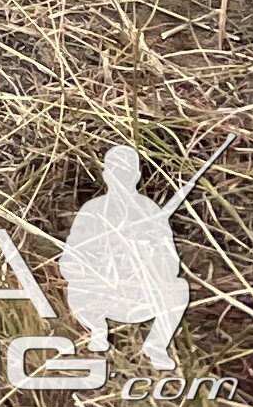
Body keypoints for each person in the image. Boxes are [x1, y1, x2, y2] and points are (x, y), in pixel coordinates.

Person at [61, 143, 192, 369]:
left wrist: (147, 250)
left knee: (179, 289)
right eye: (116, 172)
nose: (122, 179)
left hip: (142, 296)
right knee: (74, 289)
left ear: (137, 176)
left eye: (127, 173)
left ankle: (156, 346)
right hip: (102, 295)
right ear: (106, 175)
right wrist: (99, 265)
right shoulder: (93, 211)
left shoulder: (150, 211)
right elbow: (69, 260)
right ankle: (98, 332)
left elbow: (171, 263)